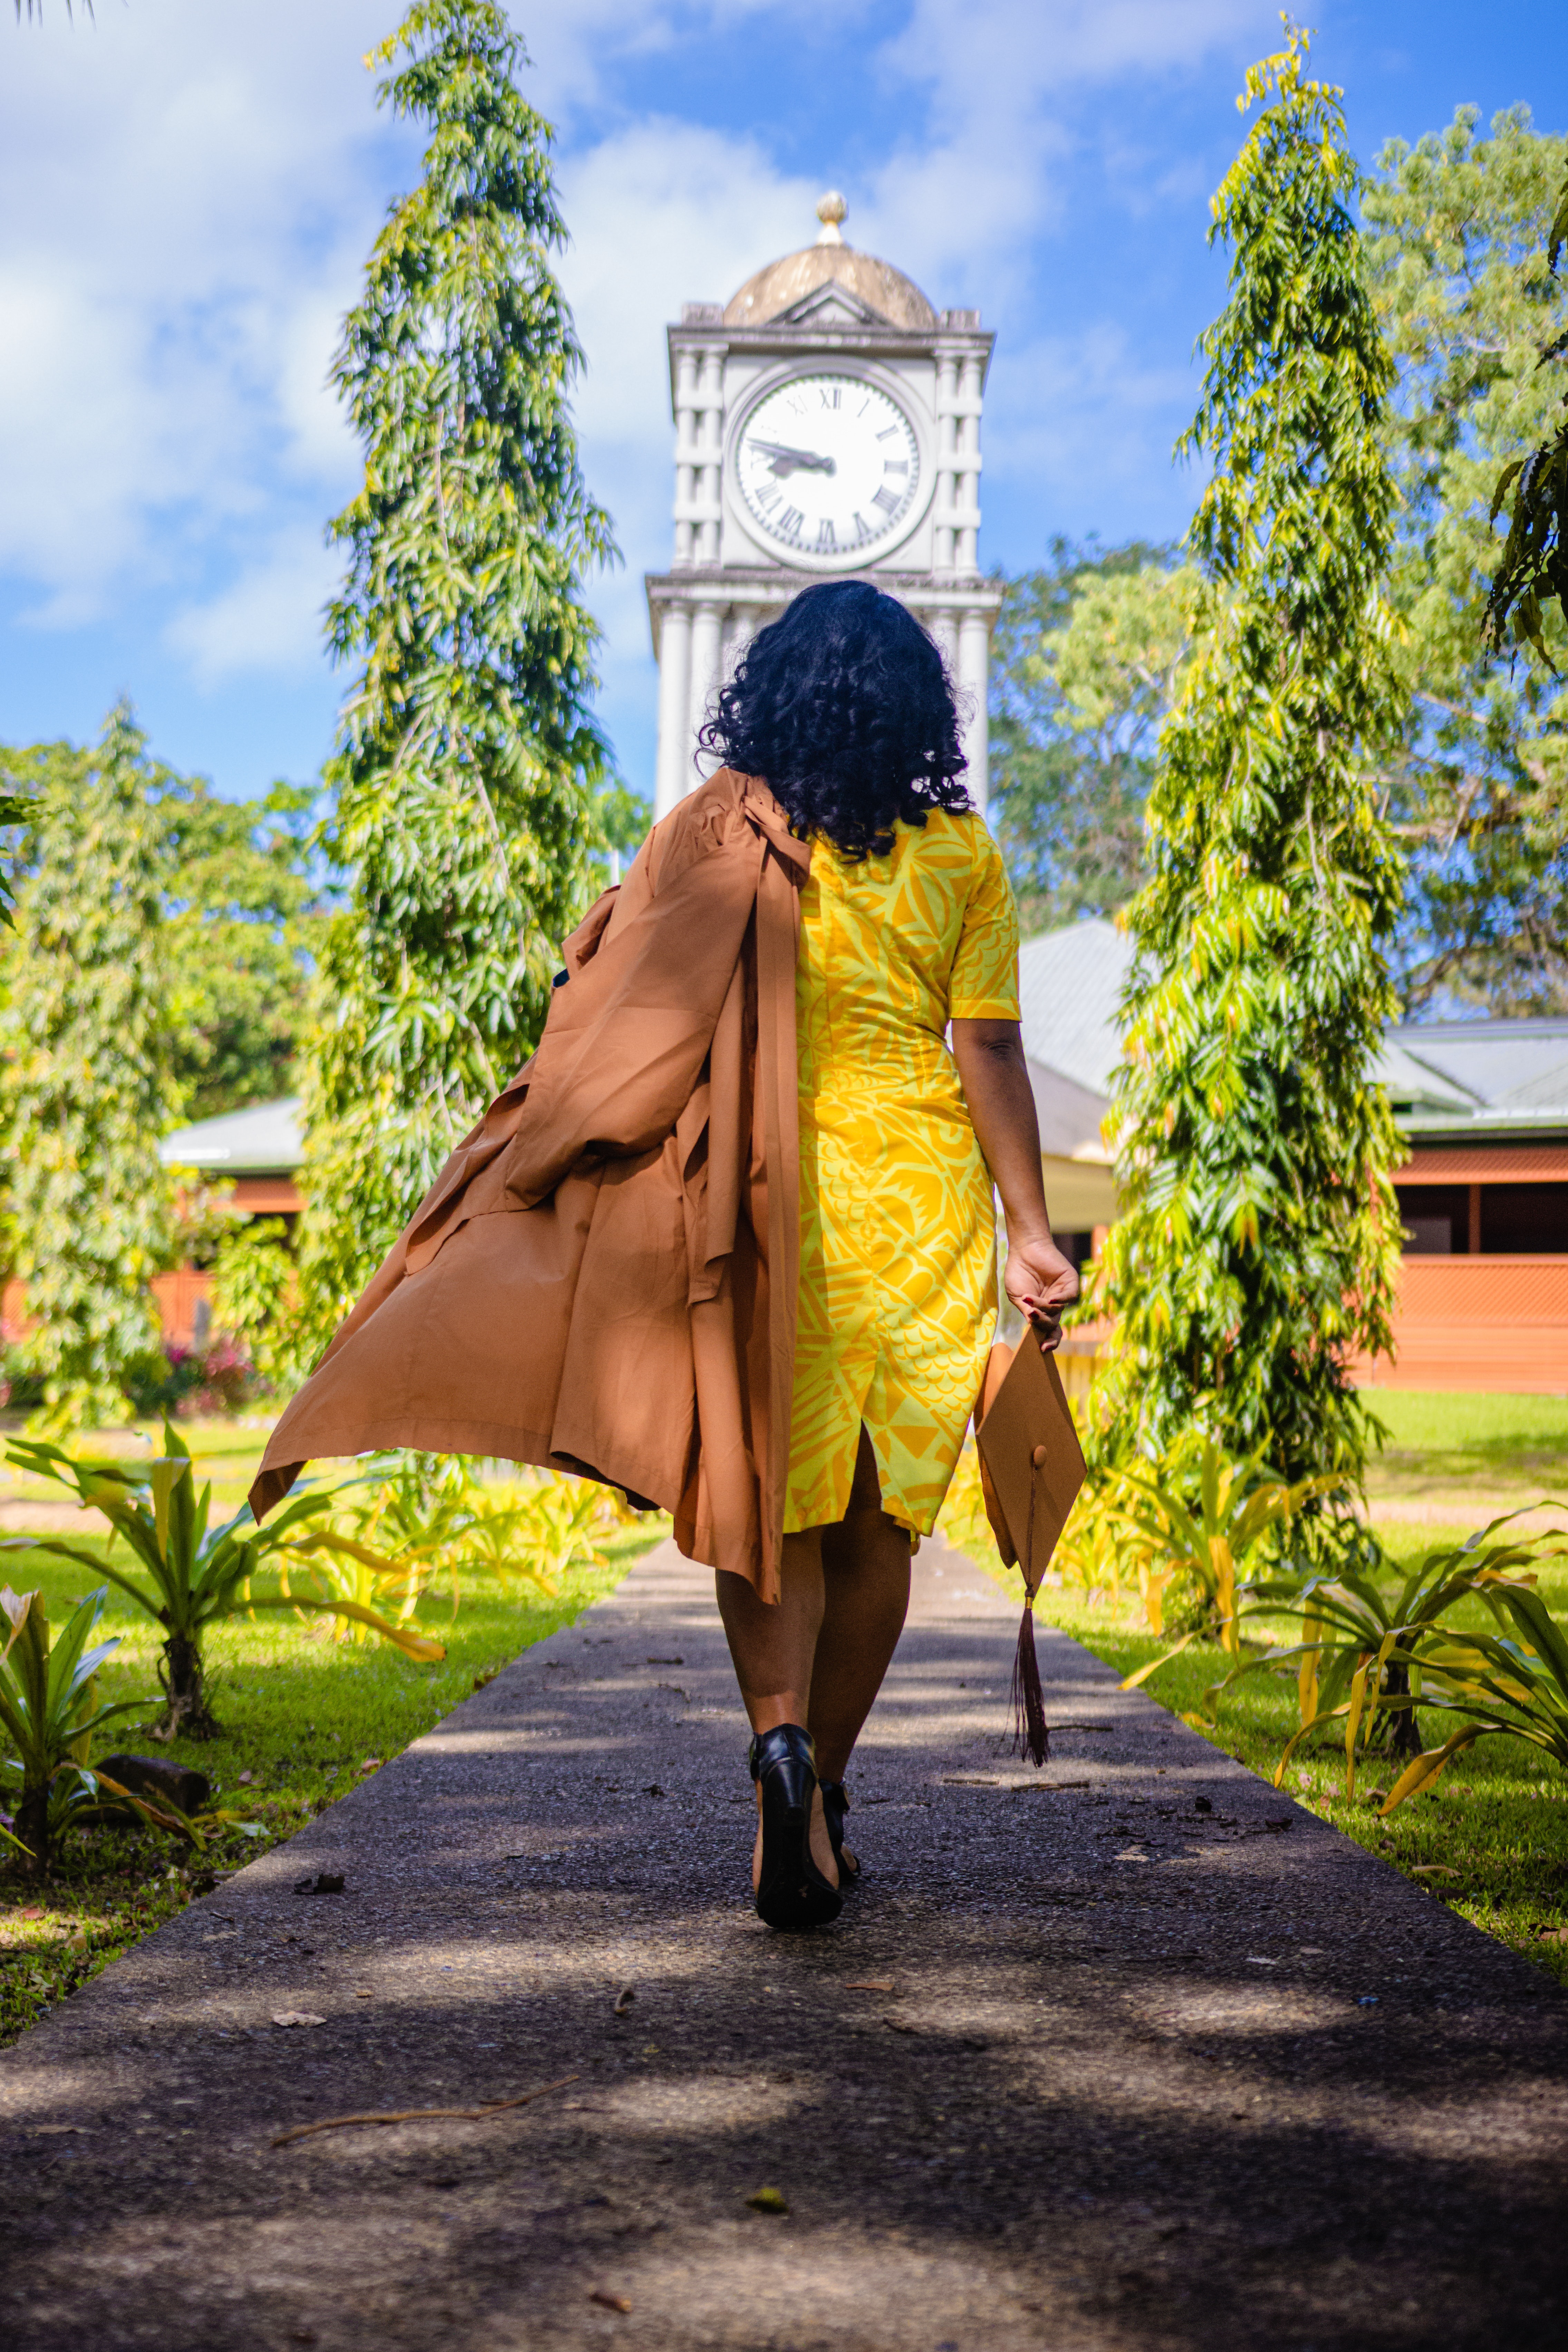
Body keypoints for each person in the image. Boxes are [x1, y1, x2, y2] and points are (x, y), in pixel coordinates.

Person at [695, 580, 1080, 1930]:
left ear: (769, 696)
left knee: (770, 1505)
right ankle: (823, 1792)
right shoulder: (963, 856)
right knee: (875, 1521)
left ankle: (777, 1752)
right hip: (919, 1200)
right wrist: (1029, 1228)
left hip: (769, 1191)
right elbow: (984, 1048)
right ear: (922, 704)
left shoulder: (735, 835)